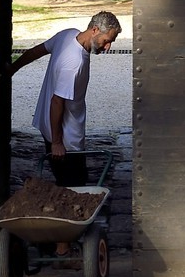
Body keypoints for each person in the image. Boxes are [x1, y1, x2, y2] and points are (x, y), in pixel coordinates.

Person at [10, 10, 122, 187]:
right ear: (94, 30)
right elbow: (57, 101)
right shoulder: (74, 62)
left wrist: (12, 69)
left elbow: (37, 51)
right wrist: (57, 143)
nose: (107, 47)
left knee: (68, 183)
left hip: (50, 128)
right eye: (107, 40)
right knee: (74, 186)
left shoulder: (68, 35)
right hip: (67, 140)